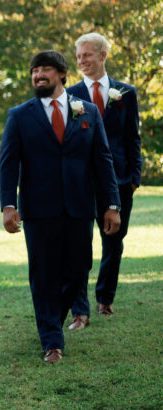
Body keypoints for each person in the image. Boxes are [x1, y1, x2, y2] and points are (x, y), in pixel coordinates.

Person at [0, 50, 121, 364]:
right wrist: (8, 205)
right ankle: (52, 340)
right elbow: (9, 164)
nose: (38, 76)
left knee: (80, 270)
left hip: (80, 207)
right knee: (43, 275)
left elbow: (103, 161)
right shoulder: (20, 115)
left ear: (62, 74)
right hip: (38, 210)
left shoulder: (88, 112)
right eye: (34, 71)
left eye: (45, 70)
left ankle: (52, 317)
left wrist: (111, 204)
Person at [65, 32, 141, 326]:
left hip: (119, 181)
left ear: (103, 56)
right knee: (77, 246)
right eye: (79, 56)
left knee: (114, 242)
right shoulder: (69, 95)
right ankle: (79, 310)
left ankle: (105, 298)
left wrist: (134, 177)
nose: (82, 61)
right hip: (81, 183)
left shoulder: (126, 93)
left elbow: (132, 138)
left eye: (87, 55)